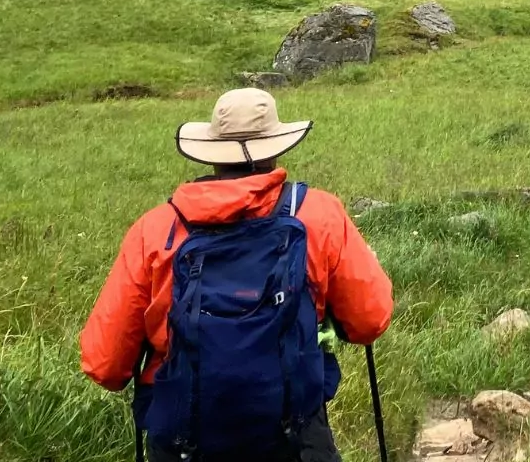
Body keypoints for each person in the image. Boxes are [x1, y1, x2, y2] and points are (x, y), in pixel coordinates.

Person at [81, 89, 393, 462]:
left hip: (184, 441)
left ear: (212, 151)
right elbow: (369, 321)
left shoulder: (155, 230)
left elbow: (104, 365)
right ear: (276, 146)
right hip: (294, 435)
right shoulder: (319, 215)